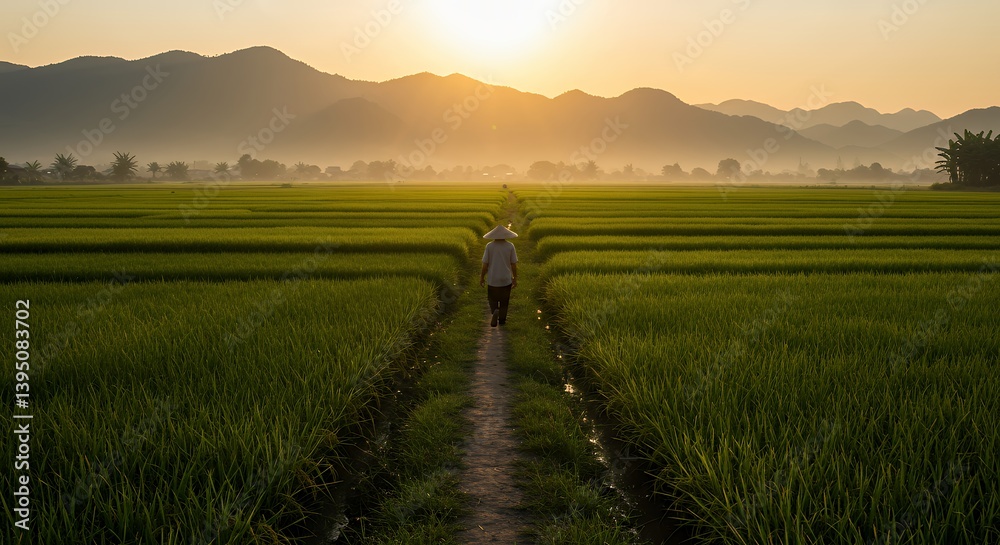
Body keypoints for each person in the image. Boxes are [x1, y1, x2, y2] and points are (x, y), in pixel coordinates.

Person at [480, 225, 518, 327]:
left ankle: (495, 311)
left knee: (492, 299)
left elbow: (485, 264)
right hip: (506, 279)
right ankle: (502, 321)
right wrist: (515, 278)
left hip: (493, 279)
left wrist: (482, 277)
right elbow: (513, 264)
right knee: (504, 301)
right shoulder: (510, 246)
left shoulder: (489, 246)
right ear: (506, 236)